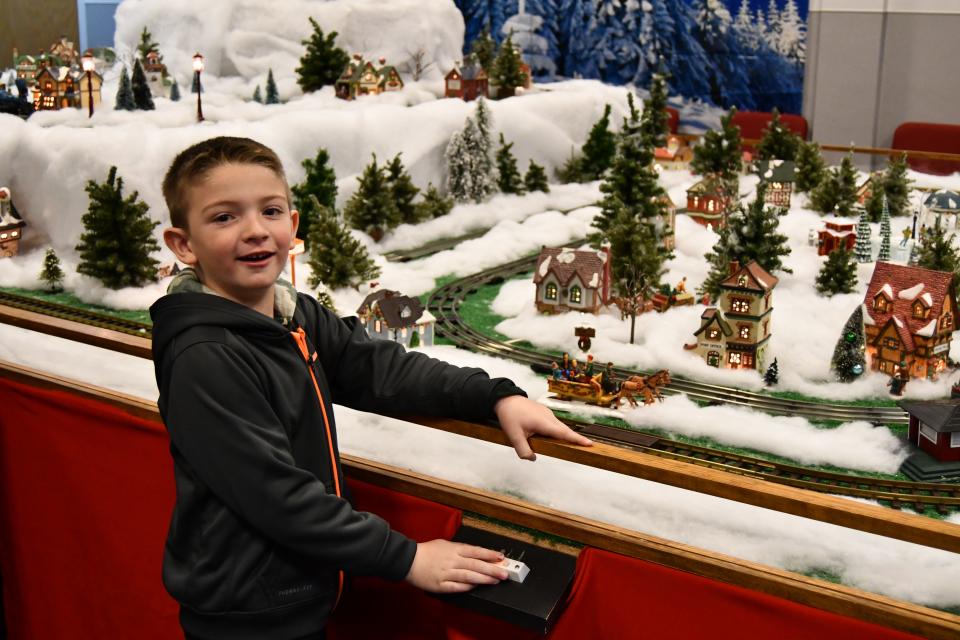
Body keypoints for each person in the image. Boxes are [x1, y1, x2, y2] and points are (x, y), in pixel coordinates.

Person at [150, 136, 592, 640]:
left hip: (294, 590)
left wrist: (493, 396)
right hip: (249, 612)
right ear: (184, 244)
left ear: (292, 226)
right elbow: (277, 497)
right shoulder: (205, 358)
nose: (255, 230)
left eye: (270, 210)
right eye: (224, 217)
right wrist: (406, 558)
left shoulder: (290, 313)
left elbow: (379, 368)